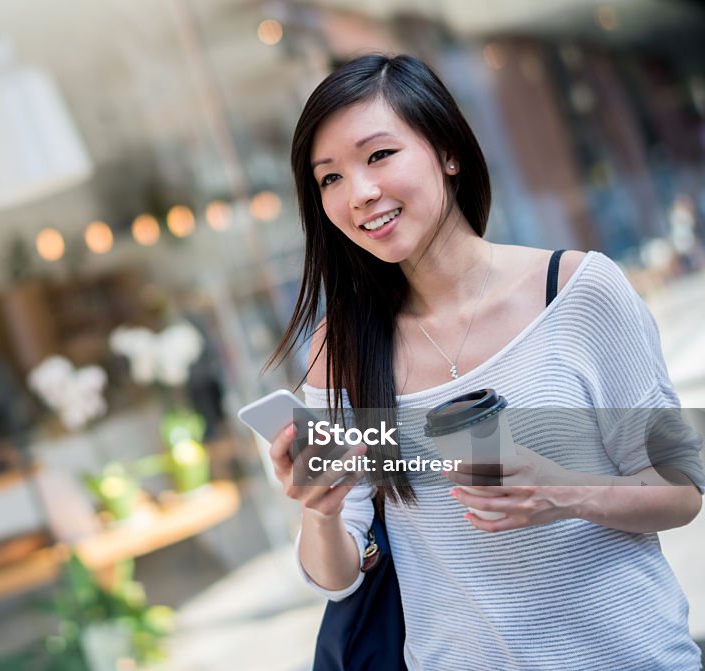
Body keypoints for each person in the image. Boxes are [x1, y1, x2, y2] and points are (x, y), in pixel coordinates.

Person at [266, 53, 705, 670]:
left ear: (448, 152)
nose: (359, 193)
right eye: (329, 178)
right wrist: (323, 510)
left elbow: (683, 489)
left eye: (379, 155)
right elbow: (335, 578)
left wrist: (561, 491)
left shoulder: (577, 290)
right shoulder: (340, 352)